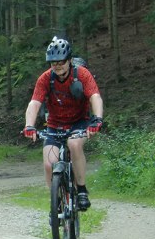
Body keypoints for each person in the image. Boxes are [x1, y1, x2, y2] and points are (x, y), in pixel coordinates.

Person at [23, 37, 104, 210]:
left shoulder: (82, 74)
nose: (57, 66)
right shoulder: (45, 79)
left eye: (61, 62)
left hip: (79, 122)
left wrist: (96, 119)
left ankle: (81, 189)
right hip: (54, 124)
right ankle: (56, 201)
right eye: (53, 63)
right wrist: (29, 125)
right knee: (48, 164)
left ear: (69, 60)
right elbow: (34, 103)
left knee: (74, 145)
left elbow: (95, 96)